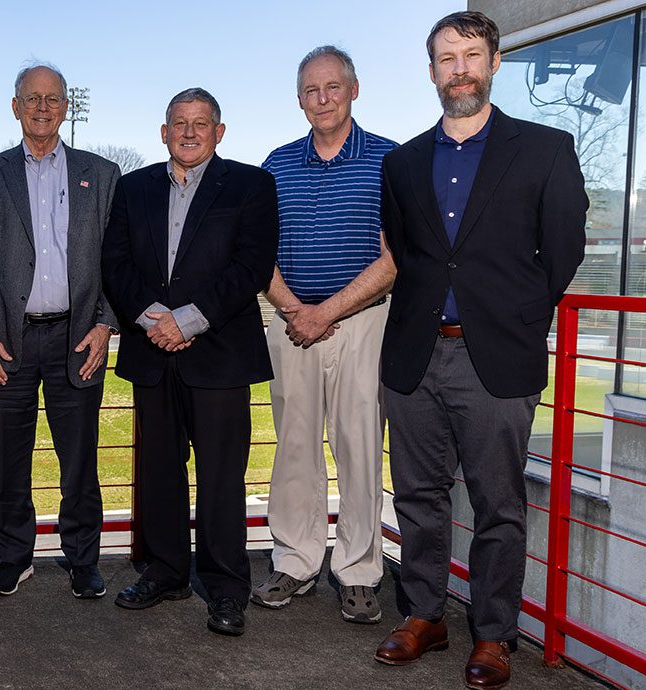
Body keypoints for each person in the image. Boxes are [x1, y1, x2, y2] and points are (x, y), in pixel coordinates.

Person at [374, 12, 587, 689]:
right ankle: (425, 616)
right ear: (432, 71)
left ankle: (494, 634)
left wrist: (515, 319)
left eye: (471, 55)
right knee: (417, 497)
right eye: (446, 57)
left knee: (498, 505)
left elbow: (562, 254)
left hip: (495, 357)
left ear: (493, 62)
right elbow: (407, 254)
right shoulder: (402, 162)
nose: (459, 68)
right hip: (414, 356)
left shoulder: (546, 149)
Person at [101, 88, 278, 636]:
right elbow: (116, 262)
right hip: (154, 351)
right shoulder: (133, 188)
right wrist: (157, 320)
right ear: (164, 131)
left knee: (222, 478)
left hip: (219, 355)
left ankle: (226, 590)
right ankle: (166, 572)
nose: (190, 132)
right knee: (158, 472)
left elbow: (252, 266)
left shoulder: (251, 184)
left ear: (219, 132)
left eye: (201, 123)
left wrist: (190, 320)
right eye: (180, 122)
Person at [0, 63, 120, 598]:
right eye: (33, 98)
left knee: (79, 459)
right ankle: (13, 557)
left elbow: (118, 263)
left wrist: (105, 324)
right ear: (15, 106)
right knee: (8, 459)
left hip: (77, 339)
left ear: (67, 106)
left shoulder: (101, 175)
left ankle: (82, 559)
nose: (44, 107)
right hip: (7, 340)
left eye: (54, 98)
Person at [255, 46, 397, 623]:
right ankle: (295, 561)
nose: (322, 99)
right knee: (293, 448)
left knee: (359, 445)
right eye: (311, 90)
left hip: (363, 323)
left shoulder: (390, 160)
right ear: (298, 98)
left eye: (333, 87)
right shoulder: (277, 163)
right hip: (290, 323)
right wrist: (296, 310)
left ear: (354, 90)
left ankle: (360, 570)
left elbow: (395, 258)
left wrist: (329, 311)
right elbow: (257, 252)